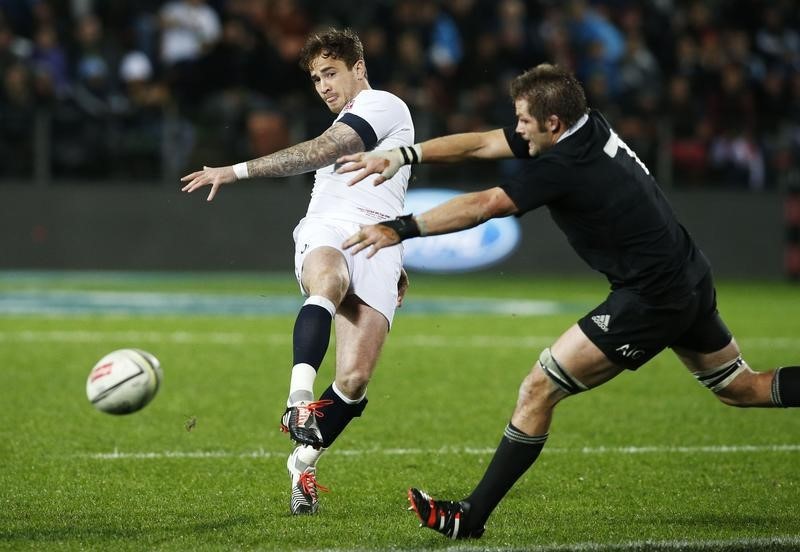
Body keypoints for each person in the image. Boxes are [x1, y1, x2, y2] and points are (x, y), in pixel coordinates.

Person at [337, 63, 800, 540]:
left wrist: (399, 228)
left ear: (552, 123)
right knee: (740, 387)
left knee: (539, 388)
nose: (516, 129)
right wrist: (404, 155)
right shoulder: (585, 124)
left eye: (522, 120)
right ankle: (471, 516)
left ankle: (470, 517)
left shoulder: (564, 166)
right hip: (687, 275)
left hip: (653, 296)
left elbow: (485, 206)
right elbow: (480, 143)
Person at [180, 27, 414, 515]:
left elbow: (327, 152)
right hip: (327, 225)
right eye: (315, 78)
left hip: (378, 240)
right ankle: (299, 399)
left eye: (331, 73)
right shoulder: (349, 119)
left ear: (359, 68)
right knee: (329, 280)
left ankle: (303, 461)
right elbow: (331, 157)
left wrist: (399, 255)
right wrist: (237, 172)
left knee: (354, 380)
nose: (323, 86)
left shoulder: (384, 105)